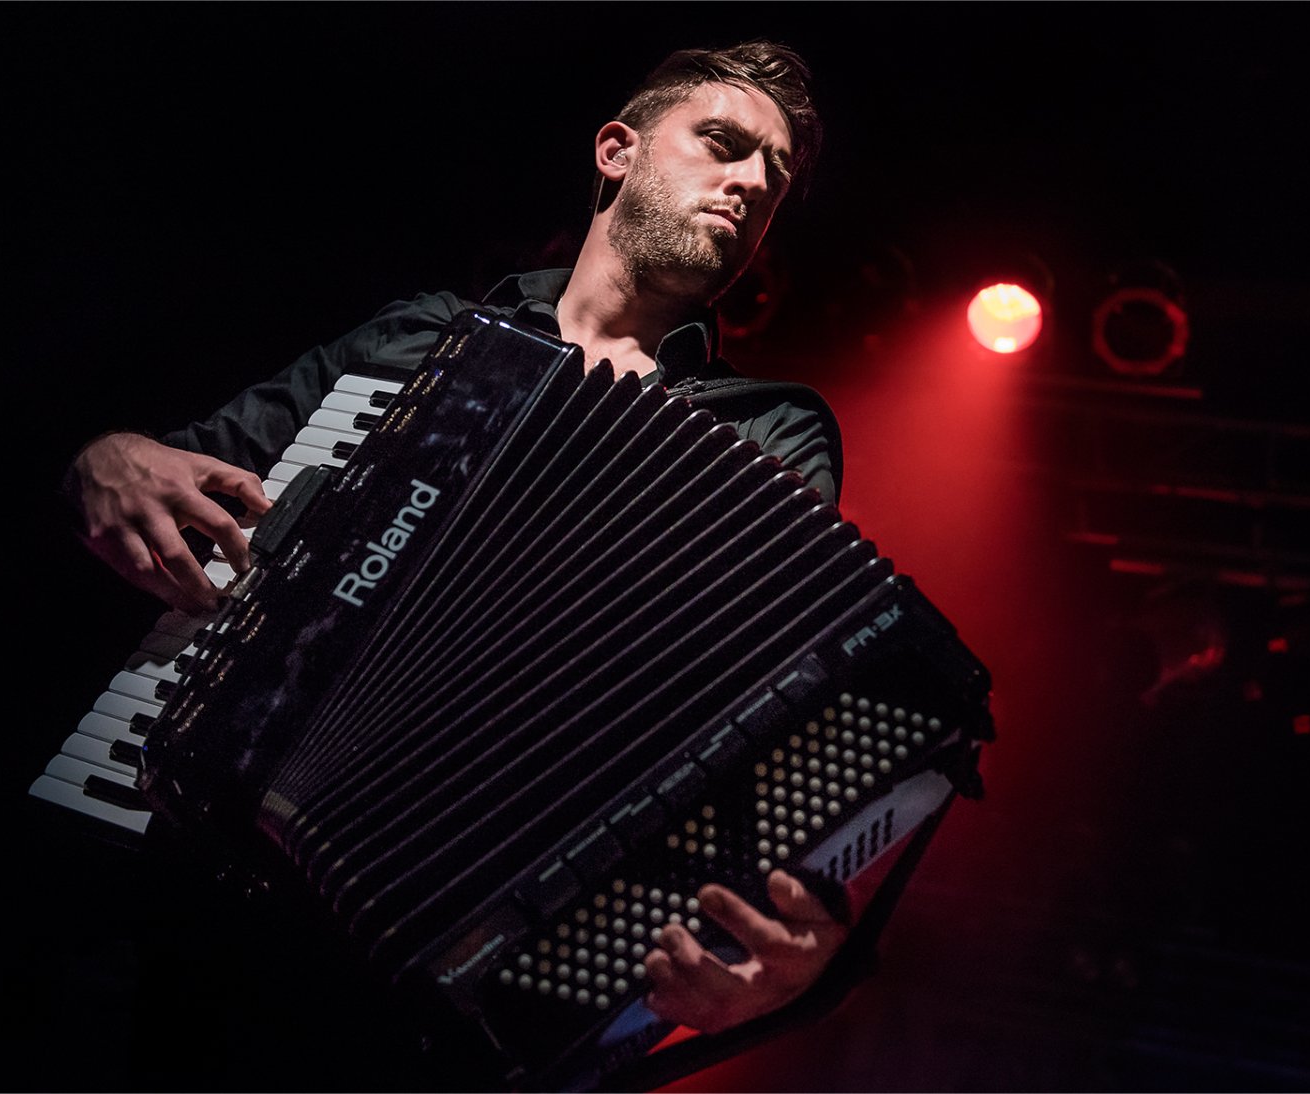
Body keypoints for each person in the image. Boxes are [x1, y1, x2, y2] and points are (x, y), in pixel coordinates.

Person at [61, 38, 864, 1083]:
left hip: (433, 981)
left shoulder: (763, 432)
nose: (752, 182)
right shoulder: (417, 338)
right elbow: (180, 477)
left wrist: (806, 950)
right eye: (723, 143)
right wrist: (99, 459)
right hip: (192, 901)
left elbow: (768, 702)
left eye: (775, 176)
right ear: (616, 151)